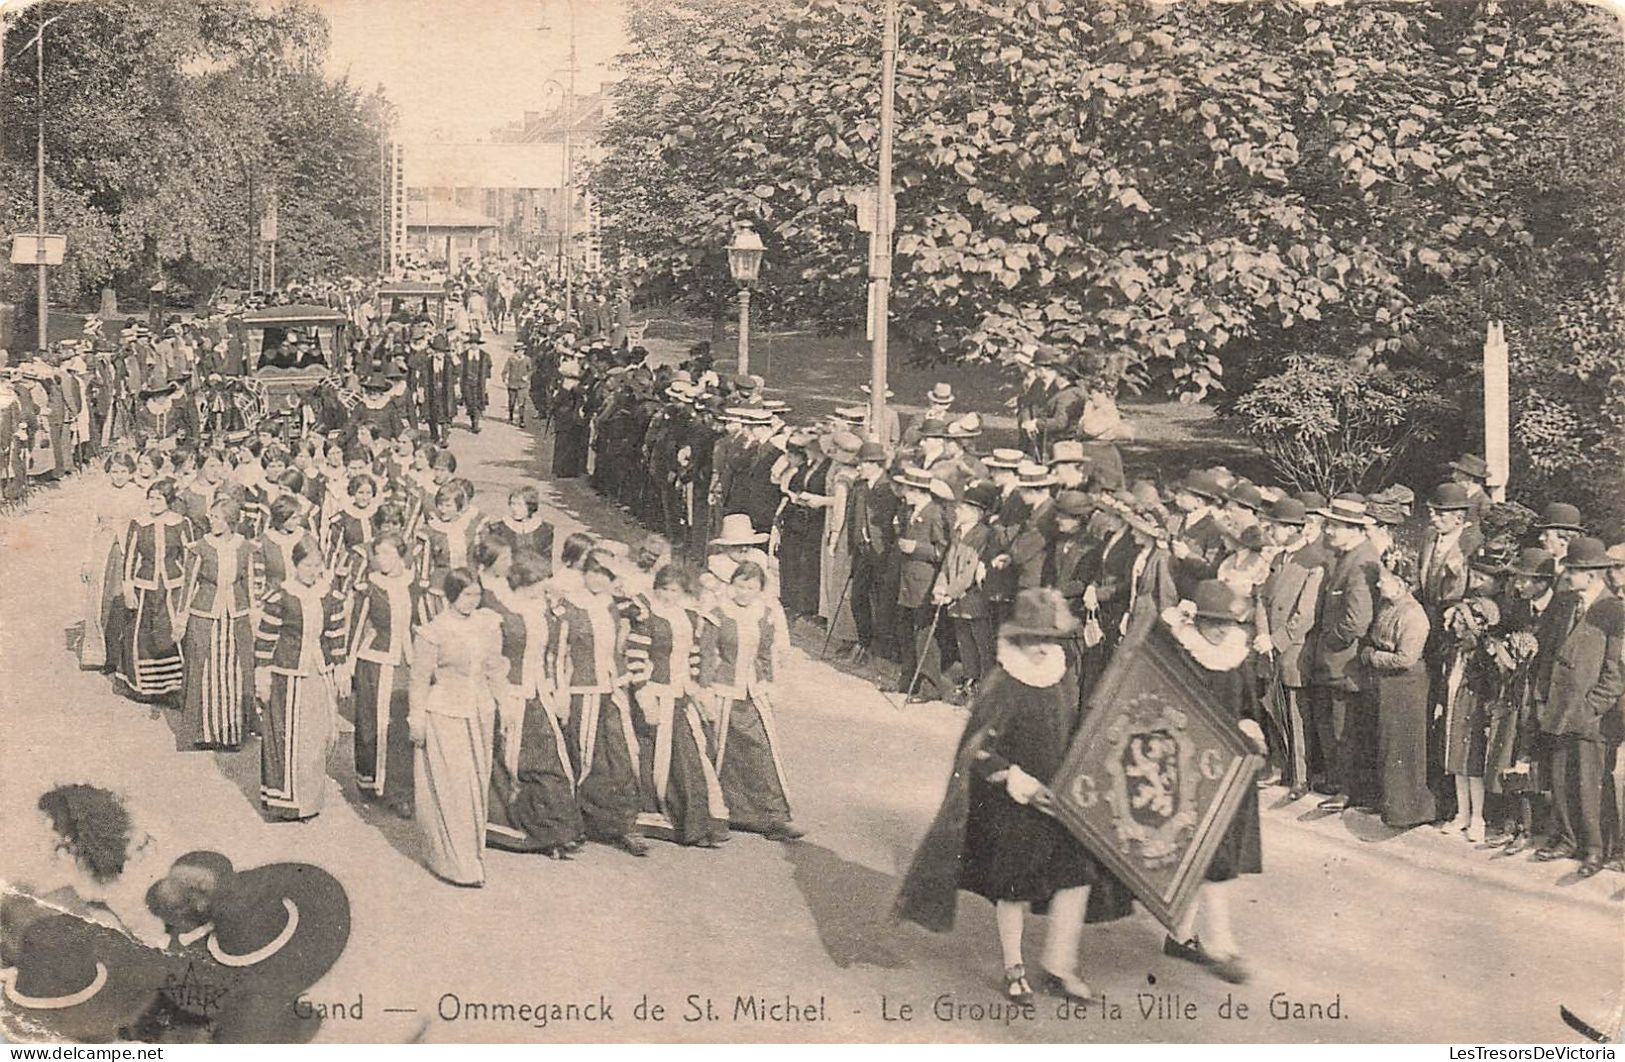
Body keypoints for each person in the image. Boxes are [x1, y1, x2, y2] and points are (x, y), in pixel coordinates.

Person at [893, 587, 1132, 1004]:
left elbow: (1072, 729)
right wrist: (1017, 781)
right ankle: (1014, 966)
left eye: (1049, 638)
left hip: (1058, 798)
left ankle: (1060, 964)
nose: (1042, 646)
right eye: (1034, 637)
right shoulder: (1004, 681)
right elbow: (979, 750)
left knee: (1076, 877)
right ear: (1019, 637)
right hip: (1013, 801)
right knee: (1015, 887)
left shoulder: (1063, 672)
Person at [1155, 580, 1266, 985]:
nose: (1220, 629)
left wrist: (1251, 727)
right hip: (1188, 767)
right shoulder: (1183, 654)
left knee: (1212, 852)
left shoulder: (1236, 655)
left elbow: (1247, 705)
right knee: (1207, 855)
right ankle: (1220, 945)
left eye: (1226, 622)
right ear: (1196, 618)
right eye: (1212, 622)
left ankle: (1181, 935)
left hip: (1228, 767)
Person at [409, 567, 509, 885]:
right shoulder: (433, 632)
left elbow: (495, 668)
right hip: (444, 714)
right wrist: (417, 720)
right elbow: (419, 681)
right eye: (467, 595)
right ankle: (454, 862)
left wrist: (505, 704)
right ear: (452, 595)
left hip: (480, 713)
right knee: (454, 787)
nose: (473, 600)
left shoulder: (488, 624)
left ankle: (471, 857)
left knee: (476, 785)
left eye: (477, 595)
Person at [1533, 537, 1624, 878]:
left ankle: (1597, 849)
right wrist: (1543, 698)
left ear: (1591, 574)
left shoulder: (1614, 612)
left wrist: (1590, 709)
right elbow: (1549, 653)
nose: (1566, 575)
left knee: (1590, 783)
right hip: (1559, 707)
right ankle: (1567, 839)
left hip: (1591, 716)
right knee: (1560, 777)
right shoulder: (1565, 603)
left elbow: (1615, 675)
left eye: (1572, 570)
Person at [485, 550, 584, 857]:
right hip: (510, 694)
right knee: (512, 764)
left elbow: (553, 655)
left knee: (551, 761)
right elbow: (492, 660)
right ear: (526, 581)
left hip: (538, 693)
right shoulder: (500, 610)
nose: (545, 587)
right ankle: (523, 832)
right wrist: (501, 697)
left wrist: (558, 693)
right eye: (541, 581)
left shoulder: (544, 611)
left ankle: (554, 831)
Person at [550, 554, 650, 856]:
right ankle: (578, 822)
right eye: (594, 573)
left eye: (605, 575)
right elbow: (556, 654)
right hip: (582, 688)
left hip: (613, 687)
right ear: (584, 573)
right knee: (585, 754)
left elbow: (643, 614)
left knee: (621, 753)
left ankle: (623, 825)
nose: (598, 580)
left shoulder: (613, 604)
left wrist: (622, 587)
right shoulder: (566, 607)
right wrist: (561, 692)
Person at [626, 565, 731, 846]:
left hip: (680, 696)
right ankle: (656, 817)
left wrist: (695, 687)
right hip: (656, 695)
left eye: (675, 590)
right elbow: (635, 658)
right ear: (657, 589)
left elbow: (694, 656)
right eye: (665, 590)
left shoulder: (688, 617)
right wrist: (643, 694)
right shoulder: (648, 618)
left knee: (689, 757)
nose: (670, 596)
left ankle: (696, 825)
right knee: (653, 758)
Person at [697, 562, 803, 841]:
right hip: (723, 691)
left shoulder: (764, 615)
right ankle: (719, 813)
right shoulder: (717, 614)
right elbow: (707, 655)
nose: (744, 593)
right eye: (740, 586)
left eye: (751, 588)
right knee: (720, 751)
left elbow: (765, 654)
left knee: (761, 749)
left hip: (752, 690)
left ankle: (772, 817)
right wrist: (705, 690)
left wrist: (768, 683)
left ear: (759, 590)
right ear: (732, 585)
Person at [252, 536, 348, 821]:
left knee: (317, 738)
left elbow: (335, 634)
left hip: (317, 673)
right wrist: (263, 672)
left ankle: (309, 801)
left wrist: (340, 665)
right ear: (295, 565)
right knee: (290, 738)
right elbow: (266, 638)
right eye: (307, 565)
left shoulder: (329, 595)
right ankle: (288, 803)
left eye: (317, 566)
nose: (313, 571)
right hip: (287, 676)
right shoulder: (281, 596)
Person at [1359, 549, 1438, 828]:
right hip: (1388, 684)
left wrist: (1372, 656)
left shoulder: (1414, 616)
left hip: (1406, 687)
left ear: (1402, 584)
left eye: (1386, 580)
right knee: (1386, 744)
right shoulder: (1388, 606)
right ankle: (1390, 804)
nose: (1380, 585)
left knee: (1402, 748)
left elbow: (1406, 657)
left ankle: (1409, 811)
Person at [349, 533, 420, 817]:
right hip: (374, 661)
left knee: (400, 725)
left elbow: (426, 622)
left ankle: (398, 791)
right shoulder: (369, 587)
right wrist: (346, 665)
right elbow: (356, 625)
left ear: (401, 555)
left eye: (389, 554)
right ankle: (370, 782)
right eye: (378, 554)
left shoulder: (415, 586)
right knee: (371, 723)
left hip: (405, 663)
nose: (382, 560)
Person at [179, 496, 257, 751]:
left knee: (234, 671)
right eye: (211, 517)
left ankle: (232, 734)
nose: (211, 521)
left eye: (216, 517)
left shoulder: (244, 547)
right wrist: (181, 617)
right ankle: (204, 733)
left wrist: (253, 614)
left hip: (236, 615)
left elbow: (250, 582)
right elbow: (188, 583)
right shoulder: (200, 547)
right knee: (205, 670)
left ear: (229, 521)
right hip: (205, 614)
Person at [117, 478, 194, 703]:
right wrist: (128, 585)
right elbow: (130, 556)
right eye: (150, 498)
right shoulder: (138, 523)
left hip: (172, 587)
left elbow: (189, 557)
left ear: (168, 501)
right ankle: (144, 687)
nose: (154, 502)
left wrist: (190, 585)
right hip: (146, 587)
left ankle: (172, 687)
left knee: (169, 632)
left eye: (159, 498)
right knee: (143, 633)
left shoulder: (180, 523)